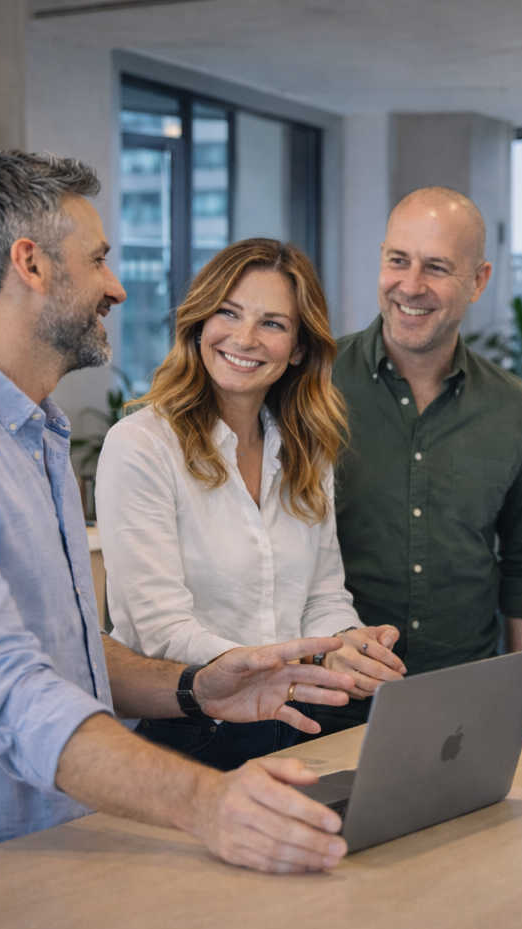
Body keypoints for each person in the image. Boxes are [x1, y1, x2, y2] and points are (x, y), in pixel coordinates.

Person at [0, 149, 359, 876]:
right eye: (99, 259)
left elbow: (71, 653)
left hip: (64, 844)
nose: (116, 286)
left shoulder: (35, 435)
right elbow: (3, 689)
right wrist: (203, 798)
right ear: (32, 265)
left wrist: (197, 686)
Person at [96, 239, 405, 768]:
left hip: (294, 723)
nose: (244, 338)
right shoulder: (140, 445)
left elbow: (322, 597)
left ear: (300, 348)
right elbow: (162, 631)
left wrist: (349, 641)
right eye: (228, 313)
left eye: (272, 323)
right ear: (199, 323)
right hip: (186, 733)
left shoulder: (305, 450)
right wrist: (290, 662)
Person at [327, 187, 522, 731]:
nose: (410, 285)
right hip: (328, 699)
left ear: (478, 281)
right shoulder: (310, 382)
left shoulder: (514, 408)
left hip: (466, 702)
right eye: (397, 261)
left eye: (437, 268)